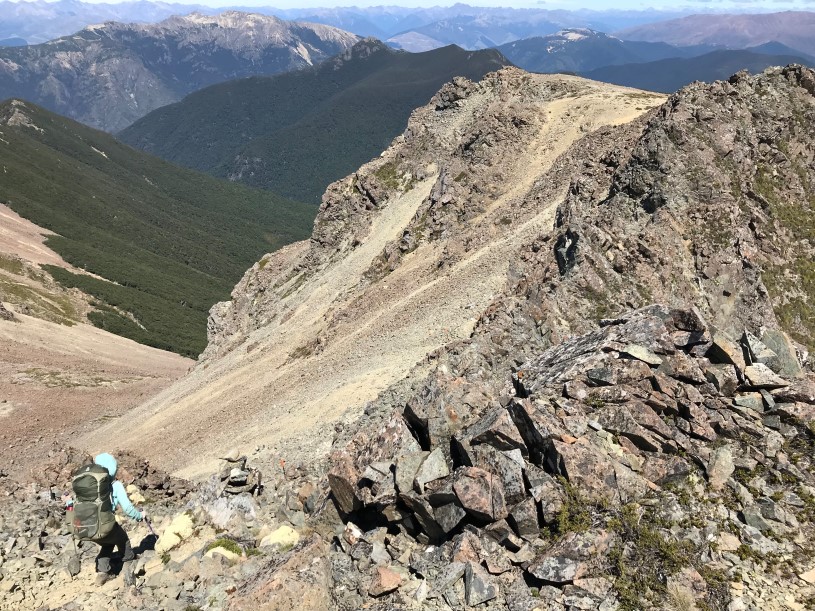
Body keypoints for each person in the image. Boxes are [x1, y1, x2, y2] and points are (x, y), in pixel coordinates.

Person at [65, 453, 147, 586]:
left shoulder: (88, 488)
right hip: (106, 525)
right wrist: (140, 516)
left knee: (107, 544)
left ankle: (102, 572)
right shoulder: (116, 485)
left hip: (88, 527)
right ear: (113, 468)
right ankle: (128, 565)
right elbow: (127, 508)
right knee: (123, 539)